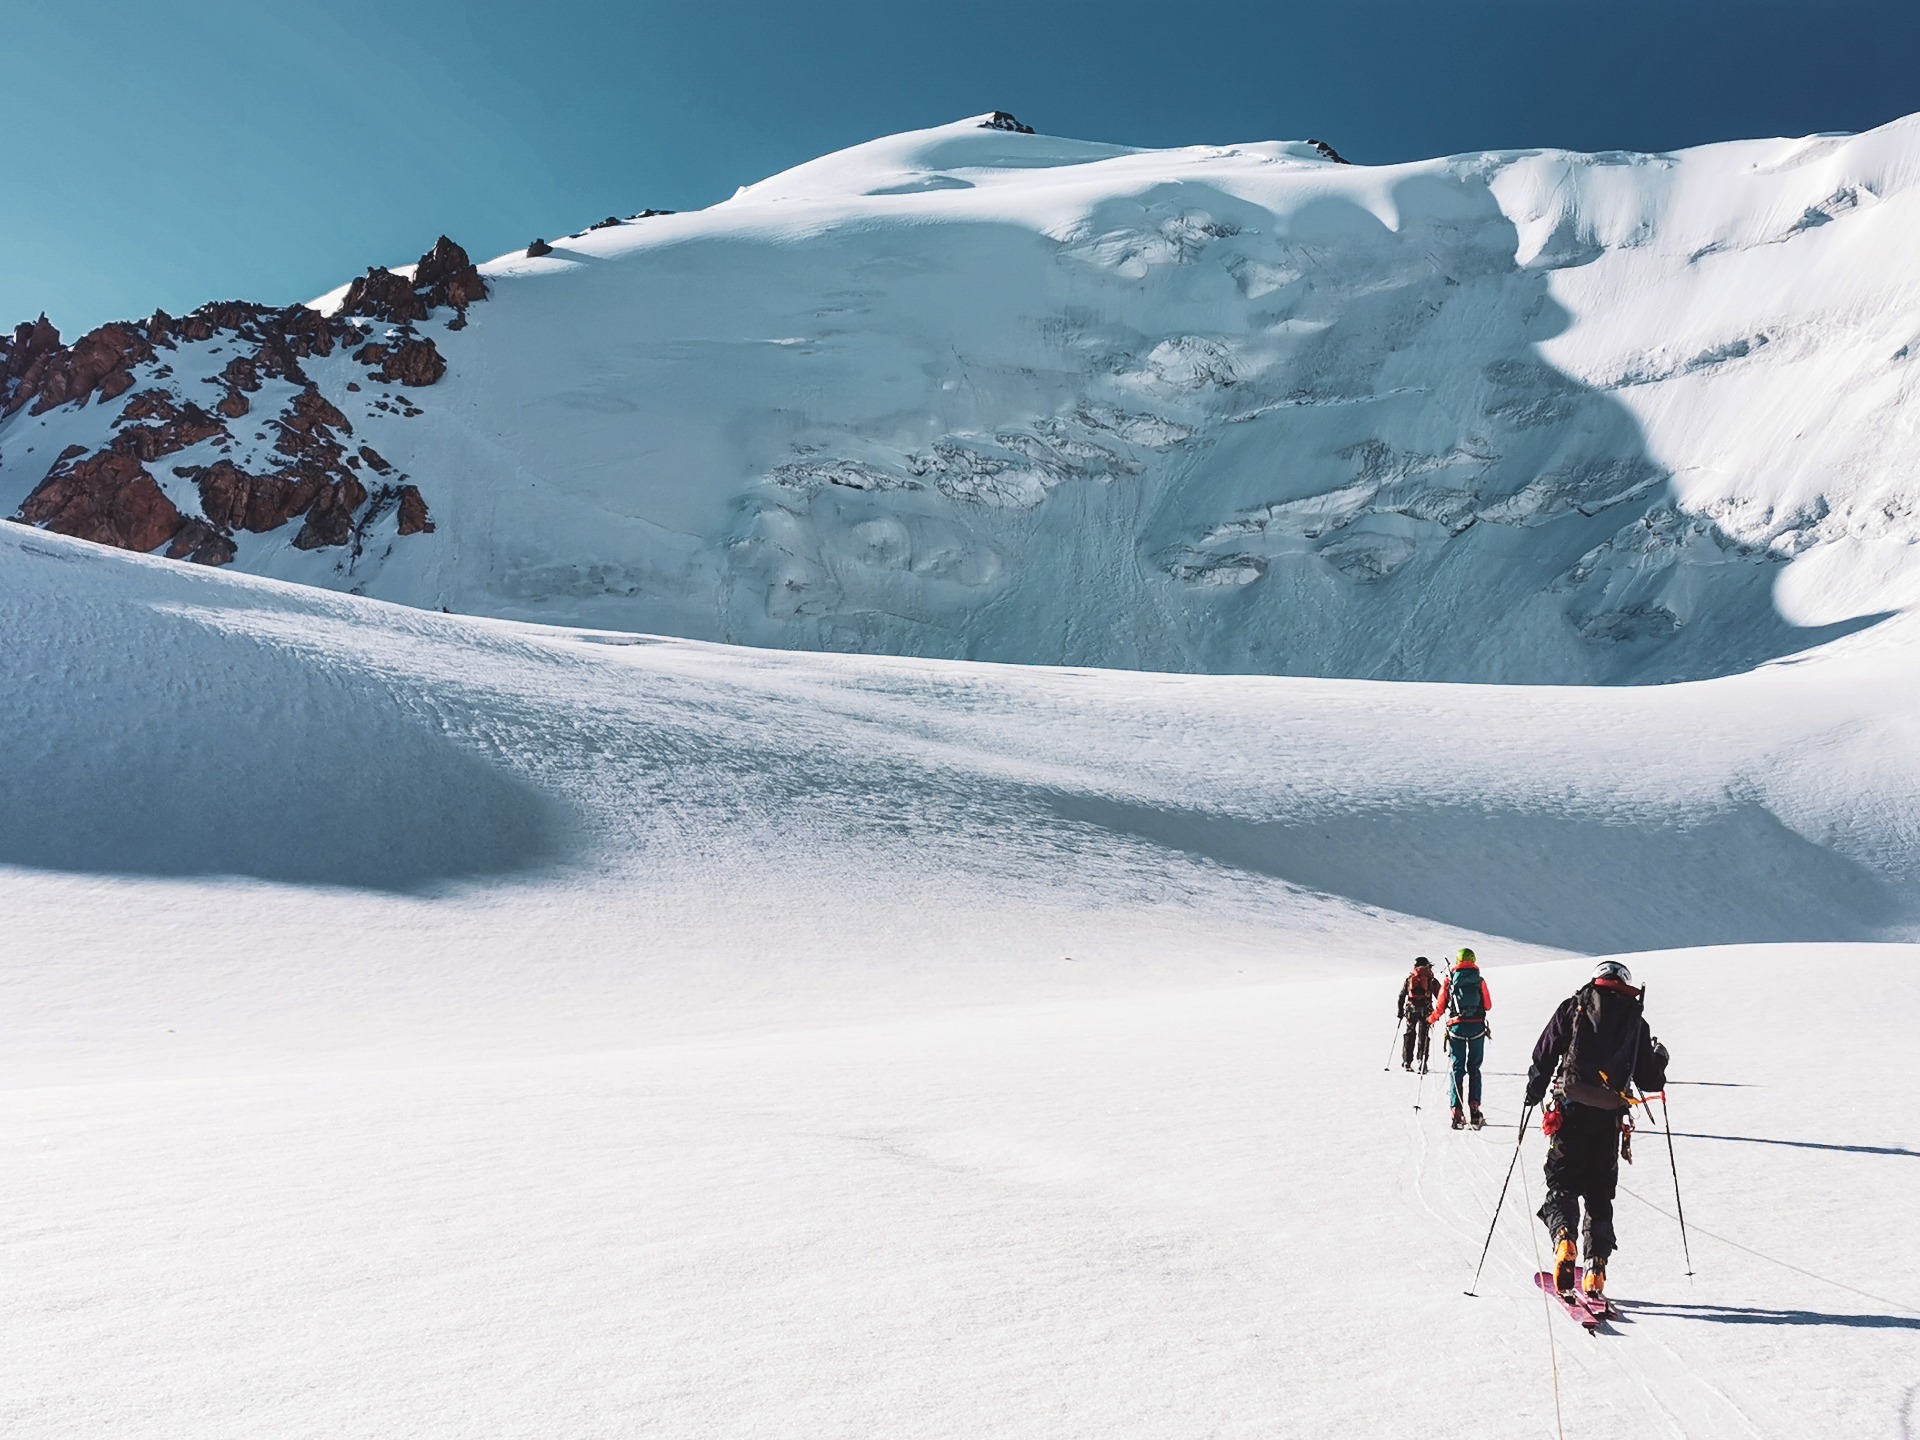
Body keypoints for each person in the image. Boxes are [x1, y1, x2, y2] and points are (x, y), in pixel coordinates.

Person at [1523, 959, 1670, 1301]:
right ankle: (1595, 1269)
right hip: (1608, 1117)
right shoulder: (1635, 1019)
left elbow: (1544, 1052)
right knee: (1599, 1192)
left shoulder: (1574, 1006)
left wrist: (1533, 1090)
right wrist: (1660, 1056)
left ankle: (1564, 1238)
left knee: (1562, 1182)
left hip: (1569, 1110)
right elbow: (1650, 1078)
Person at [1428, 947, 1491, 1129]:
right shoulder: (1479, 980)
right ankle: (1475, 1109)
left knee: (1457, 1068)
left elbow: (1440, 1007)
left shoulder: (1449, 980)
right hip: (1477, 1027)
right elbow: (1487, 1005)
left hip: (1456, 1027)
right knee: (1474, 1068)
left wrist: (1431, 1019)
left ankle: (1456, 1111)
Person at [1395, 957, 1441, 1071]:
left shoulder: (1410, 979)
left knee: (1410, 1034)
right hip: (1426, 1011)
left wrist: (1400, 1012)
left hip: (1411, 1011)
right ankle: (1422, 1061)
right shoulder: (1431, 979)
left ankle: (1407, 1061)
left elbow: (1401, 996)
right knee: (1423, 1035)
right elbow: (1440, 996)